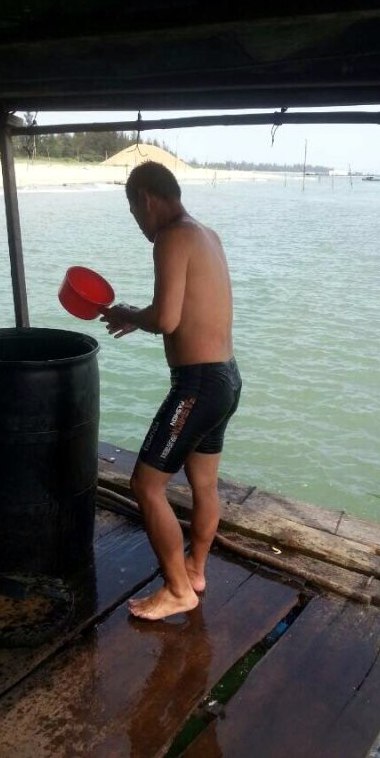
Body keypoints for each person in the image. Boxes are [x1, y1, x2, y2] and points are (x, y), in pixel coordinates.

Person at [100, 161, 242, 620]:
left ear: (145, 199)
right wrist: (135, 316)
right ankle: (195, 570)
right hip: (226, 378)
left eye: (133, 213)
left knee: (146, 485)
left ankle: (179, 590)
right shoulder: (207, 235)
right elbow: (185, 310)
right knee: (204, 484)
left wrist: (128, 314)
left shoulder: (171, 236)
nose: (138, 225)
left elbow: (165, 319)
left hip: (197, 384)